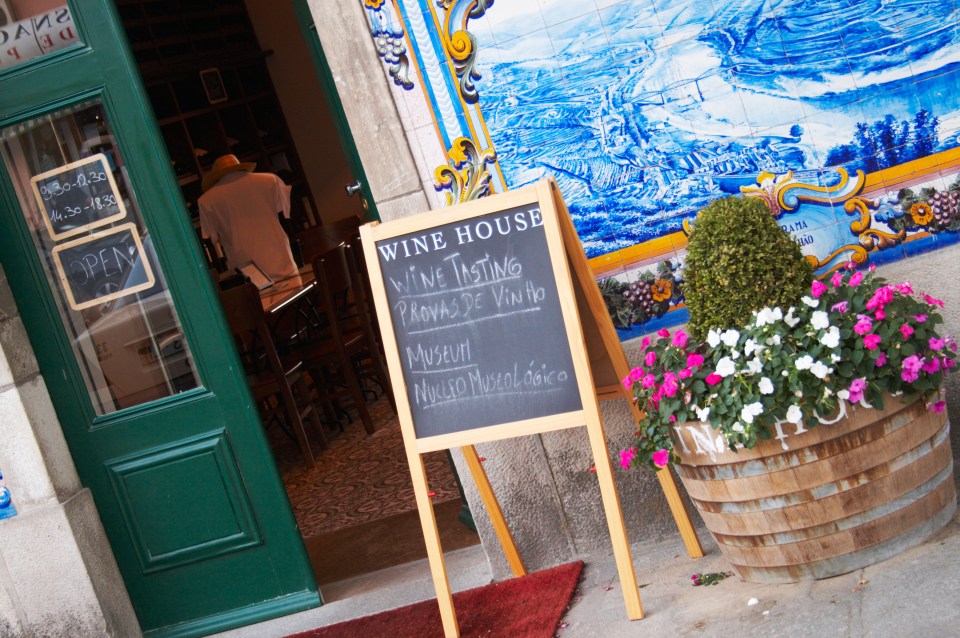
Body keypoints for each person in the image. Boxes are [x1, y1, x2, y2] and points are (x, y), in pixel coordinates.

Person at [198, 154, 298, 282]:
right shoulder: (270, 180)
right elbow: (282, 212)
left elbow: (213, 239)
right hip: (282, 260)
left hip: (248, 270)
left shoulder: (206, 201)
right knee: (295, 297)